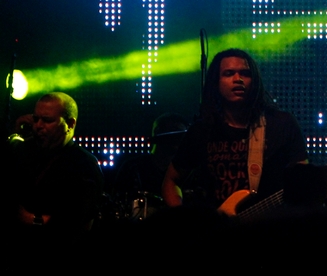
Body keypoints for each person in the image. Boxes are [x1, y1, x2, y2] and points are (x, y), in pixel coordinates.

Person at [162, 48, 309, 214]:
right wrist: (181, 218)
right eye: (229, 73)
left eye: (245, 73)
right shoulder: (203, 130)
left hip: (270, 225)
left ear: (255, 80)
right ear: (216, 82)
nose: (238, 79)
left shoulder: (282, 124)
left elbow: (303, 179)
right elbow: (171, 181)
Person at [2, 92, 104, 234]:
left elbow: (76, 223)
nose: (38, 126)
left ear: (70, 124)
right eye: (35, 119)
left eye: (47, 120)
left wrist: (31, 219)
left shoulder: (84, 164)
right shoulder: (25, 151)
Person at [112, 112, 189, 219]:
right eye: (174, 133)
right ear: (158, 133)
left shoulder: (188, 171)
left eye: (181, 136)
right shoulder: (133, 168)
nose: (178, 140)